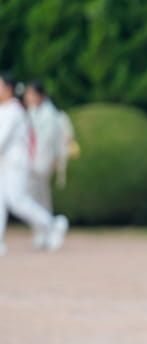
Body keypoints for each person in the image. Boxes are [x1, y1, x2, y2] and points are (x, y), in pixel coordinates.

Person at [0, 73, 68, 254]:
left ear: (8, 88)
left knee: (18, 201)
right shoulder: (5, 110)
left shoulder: (14, 111)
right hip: (4, 164)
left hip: (16, 164)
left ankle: (52, 224)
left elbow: (2, 140)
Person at [24, 81, 68, 214]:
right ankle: (46, 227)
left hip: (42, 159)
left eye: (31, 94)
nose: (28, 97)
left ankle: (47, 225)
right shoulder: (32, 111)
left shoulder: (49, 114)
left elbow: (48, 141)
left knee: (34, 195)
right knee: (40, 196)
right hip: (33, 158)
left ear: (40, 95)